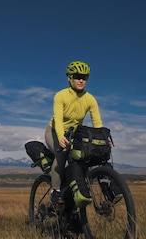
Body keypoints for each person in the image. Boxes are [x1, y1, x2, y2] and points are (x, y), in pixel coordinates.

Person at [45, 60, 104, 206]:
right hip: (54, 131)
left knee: (83, 159)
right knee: (62, 154)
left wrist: (102, 139)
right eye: (77, 76)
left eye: (84, 77)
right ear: (70, 78)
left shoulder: (90, 99)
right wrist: (60, 138)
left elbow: (97, 123)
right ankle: (56, 191)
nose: (81, 80)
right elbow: (58, 119)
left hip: (74, 135)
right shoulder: (61, 95)